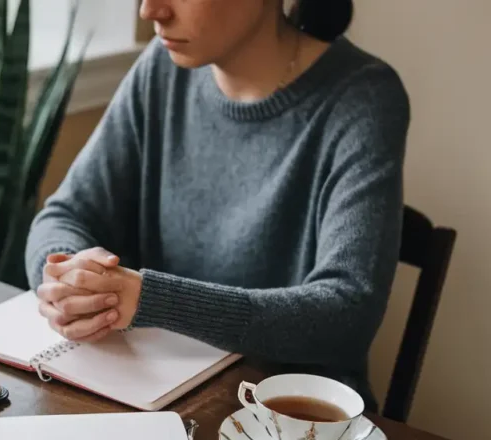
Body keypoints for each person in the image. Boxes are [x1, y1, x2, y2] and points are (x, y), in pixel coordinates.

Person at [23, 0, 410, 409]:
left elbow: (348, 312)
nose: (150, 10)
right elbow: (62, 216)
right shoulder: (162, 66)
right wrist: (68, 281)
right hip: (157, 401)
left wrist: (150, 299)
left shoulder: (364, 97)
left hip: (294, 434)